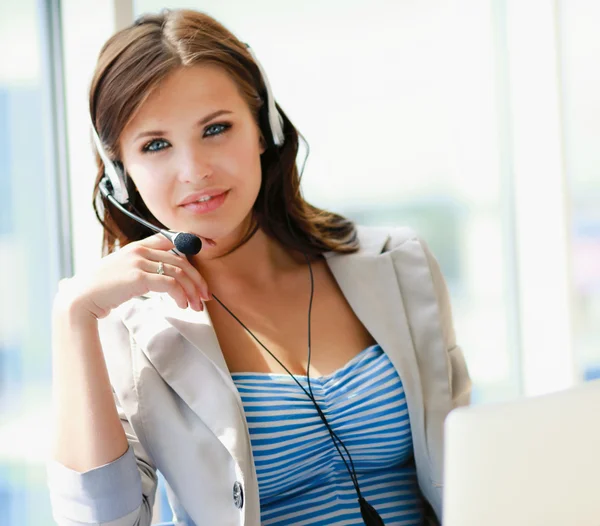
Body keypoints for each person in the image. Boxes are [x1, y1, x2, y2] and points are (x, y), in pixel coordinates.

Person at [46, 8, 471, 526]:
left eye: (216, 129)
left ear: (263, 129)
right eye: (156, 145)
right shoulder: (124, 331)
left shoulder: (400, 267)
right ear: (121, 173)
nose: (194, 170)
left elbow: (473, 471)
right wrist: (73, 315)